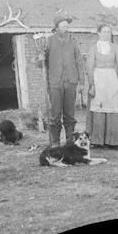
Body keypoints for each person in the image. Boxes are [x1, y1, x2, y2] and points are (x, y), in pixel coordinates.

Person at [40, 17, 86, 147]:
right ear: (57, 27)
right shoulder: (49, 41)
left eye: (67, 25)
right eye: (64, 25)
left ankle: (70, 142)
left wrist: (81, 82)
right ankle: (55, 142)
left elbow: (79, 62)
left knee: (70, 114)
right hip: (55, 83)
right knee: (55, 114)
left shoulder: (73, 41)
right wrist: (40, 59)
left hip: (71, 82)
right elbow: (41, 63)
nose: (66, 27)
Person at [85, 24, 118, 147]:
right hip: (98, 80)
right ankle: (98, 141)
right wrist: (92, 84)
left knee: (113, 106)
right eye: (104, 32)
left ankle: (114, 141)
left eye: (108, 32)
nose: (106, 34)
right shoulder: (93, 48)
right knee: (99, 106)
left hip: (111, 80)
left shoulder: (115, 48)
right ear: (98, 33)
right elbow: (89, 66)